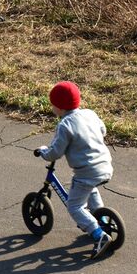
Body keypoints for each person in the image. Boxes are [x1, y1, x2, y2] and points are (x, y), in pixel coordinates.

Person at [34, 81, 114, 259]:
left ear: (59, 107)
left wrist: (43, 153)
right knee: (90, 189)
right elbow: (103, 130)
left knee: (74, 206)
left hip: (86, 172)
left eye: (52, 104)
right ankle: (103, 220)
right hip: (105, 164)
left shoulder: (65, 125)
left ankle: (98, 234)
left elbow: (56, 151)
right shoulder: (89, 114)